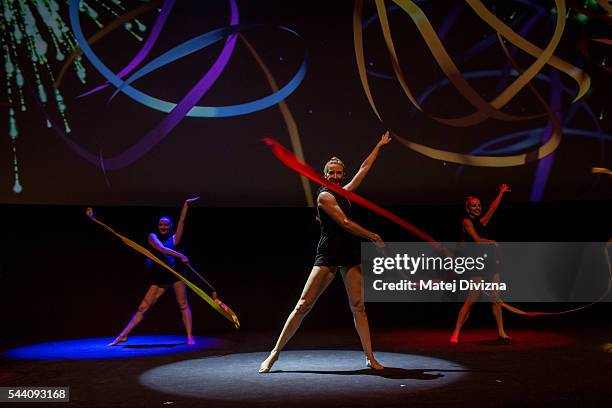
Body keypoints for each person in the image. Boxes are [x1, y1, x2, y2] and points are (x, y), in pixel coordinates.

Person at [259, 131, 392, 373]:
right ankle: (274, 354)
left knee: (358, 306)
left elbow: (364, 168)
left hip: (349, 254)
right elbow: (346, 223)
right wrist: (372, 235)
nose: (336, 176)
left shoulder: (345, 192)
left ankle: (370, 357)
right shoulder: (324, 196)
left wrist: (379, 146)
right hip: (329, 254)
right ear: (324, 174)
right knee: (303, 305)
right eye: (331, 173)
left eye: (339, 173)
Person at [108, 197, 200, 346]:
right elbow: (161, 249)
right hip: (159, 278)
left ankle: (190, 337)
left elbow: (181, 223)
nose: (163, 227)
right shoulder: (152, 236)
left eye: (166, 225)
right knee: (143, 307)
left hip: (175, 275)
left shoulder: (174, 239)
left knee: (183, 304)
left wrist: (186, 205)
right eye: (161, 224)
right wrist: (180, 255)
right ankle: (123, 336)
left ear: (170, 227)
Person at [450, 184, 512, 344]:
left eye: (479, 205)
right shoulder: (466, 222)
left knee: (496, 298)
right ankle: (456, 333)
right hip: (477, 264)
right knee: (471, 300)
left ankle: (501, 332)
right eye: (474, 205)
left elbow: (493, 208)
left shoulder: (481, 221)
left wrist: (501, 193)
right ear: (468, 208)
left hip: (490, 263)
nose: (478, 208)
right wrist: (492, 242)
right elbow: (477, 241)